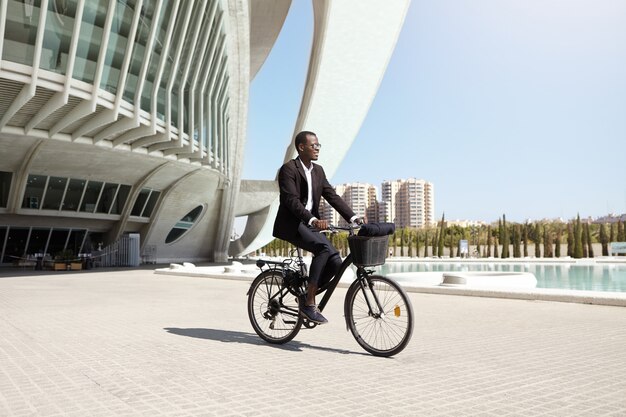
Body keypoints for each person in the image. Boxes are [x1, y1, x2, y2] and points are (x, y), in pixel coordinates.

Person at [273, 131, 361, 324]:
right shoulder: (288, 170)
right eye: (314, 145)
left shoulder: (318, 170)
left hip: (310, 224)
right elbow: (291, 201)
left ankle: (305, 295)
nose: (317, 149)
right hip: (293, 223)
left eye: (318, 145)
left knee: (336, 262)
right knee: (322, 249)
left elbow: (332, 196)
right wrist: (312, 220)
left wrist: (354, 218)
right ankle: (309, 302)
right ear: (301, 147)